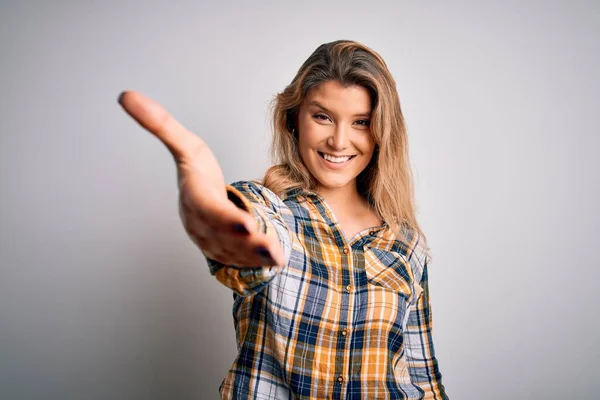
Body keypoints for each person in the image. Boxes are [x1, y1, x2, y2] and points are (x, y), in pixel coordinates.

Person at [119, 40, 448, 400]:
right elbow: (254, 234)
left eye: (361, 122)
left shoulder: (405, 241)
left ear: (382, 133)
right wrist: (216, 216)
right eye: (322, 116)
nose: (339, 141)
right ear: (294, 120)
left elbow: (423, 377)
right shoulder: (270, 208)